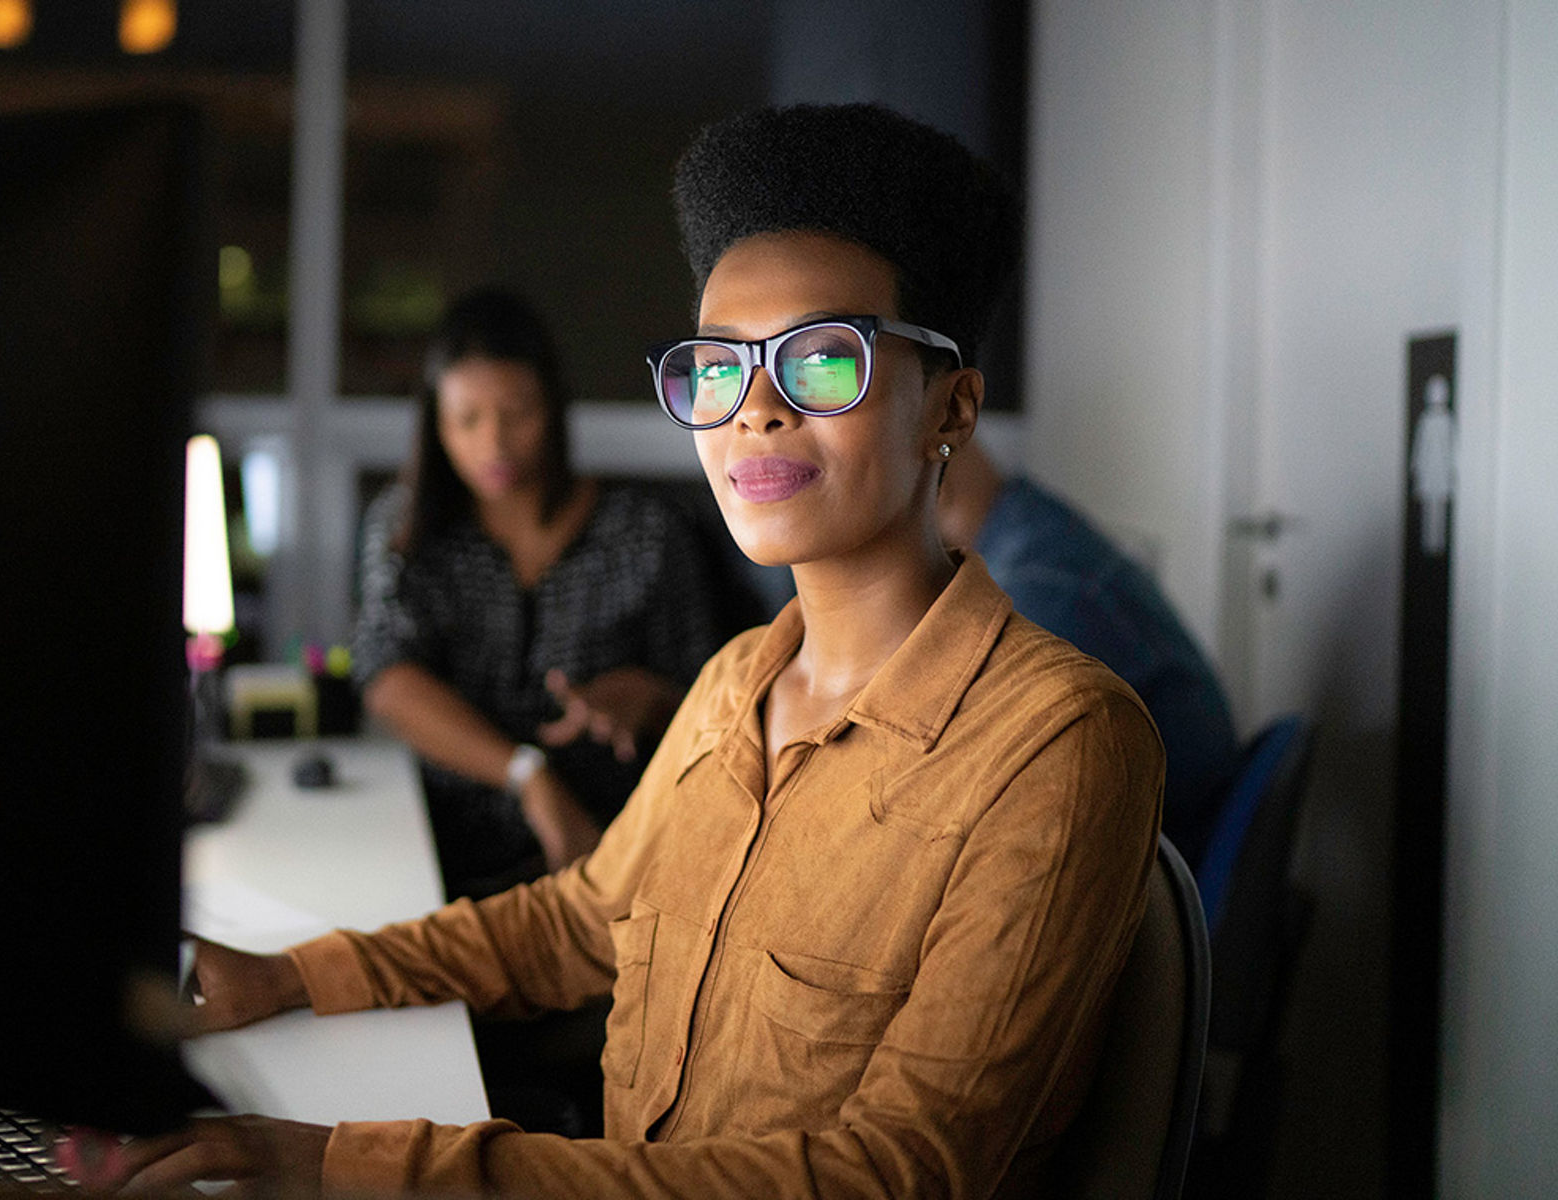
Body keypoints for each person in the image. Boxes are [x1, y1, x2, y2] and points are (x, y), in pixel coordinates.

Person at [73, 103, 1165, 1198]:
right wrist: (288, 977)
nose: (754, 412)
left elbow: (894, 1173)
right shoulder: (737, 683)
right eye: (715, 369)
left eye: (821, 362)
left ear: (953, 407)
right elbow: (577, 918)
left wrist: (340, 1162)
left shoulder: (1055, 746)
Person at [349, 286, 735, 903]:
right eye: (467, 419)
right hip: (438, 853)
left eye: (518, 413)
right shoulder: (405, 529)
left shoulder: (644, 530)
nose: (494, 445)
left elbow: (716, 691)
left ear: (553, 408)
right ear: (435, 422)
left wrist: (649, 697)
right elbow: (387, 677)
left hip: (616, 854)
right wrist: (529, 775)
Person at [938, 437, 1239, 861]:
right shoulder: (1032, 526)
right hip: (1174, 838)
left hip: (1161, 863)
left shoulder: (1037, 593)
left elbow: (1009, 817)